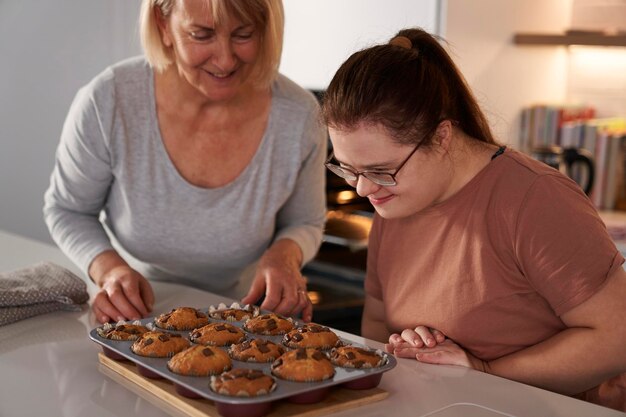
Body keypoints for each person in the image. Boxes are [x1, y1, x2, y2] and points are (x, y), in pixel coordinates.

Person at [320, 28, 626, 411]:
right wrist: (408, 348)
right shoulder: (394, 201)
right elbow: (377, 325)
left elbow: (617, 337)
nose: (363, 189)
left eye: (380, 170)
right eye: (347, 169)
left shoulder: (534, 199)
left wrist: (484, 370)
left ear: (443, 136)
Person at [43, 0, 327, 325]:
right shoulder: (109, 100)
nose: (224, 59)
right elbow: (68, 210)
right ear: (164, 26)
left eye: (243, 34)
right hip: (138, 310)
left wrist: (284, 256)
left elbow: (306, 221)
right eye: (202, 35)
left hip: (245, 315)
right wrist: (108, 269)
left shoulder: (300, 115)